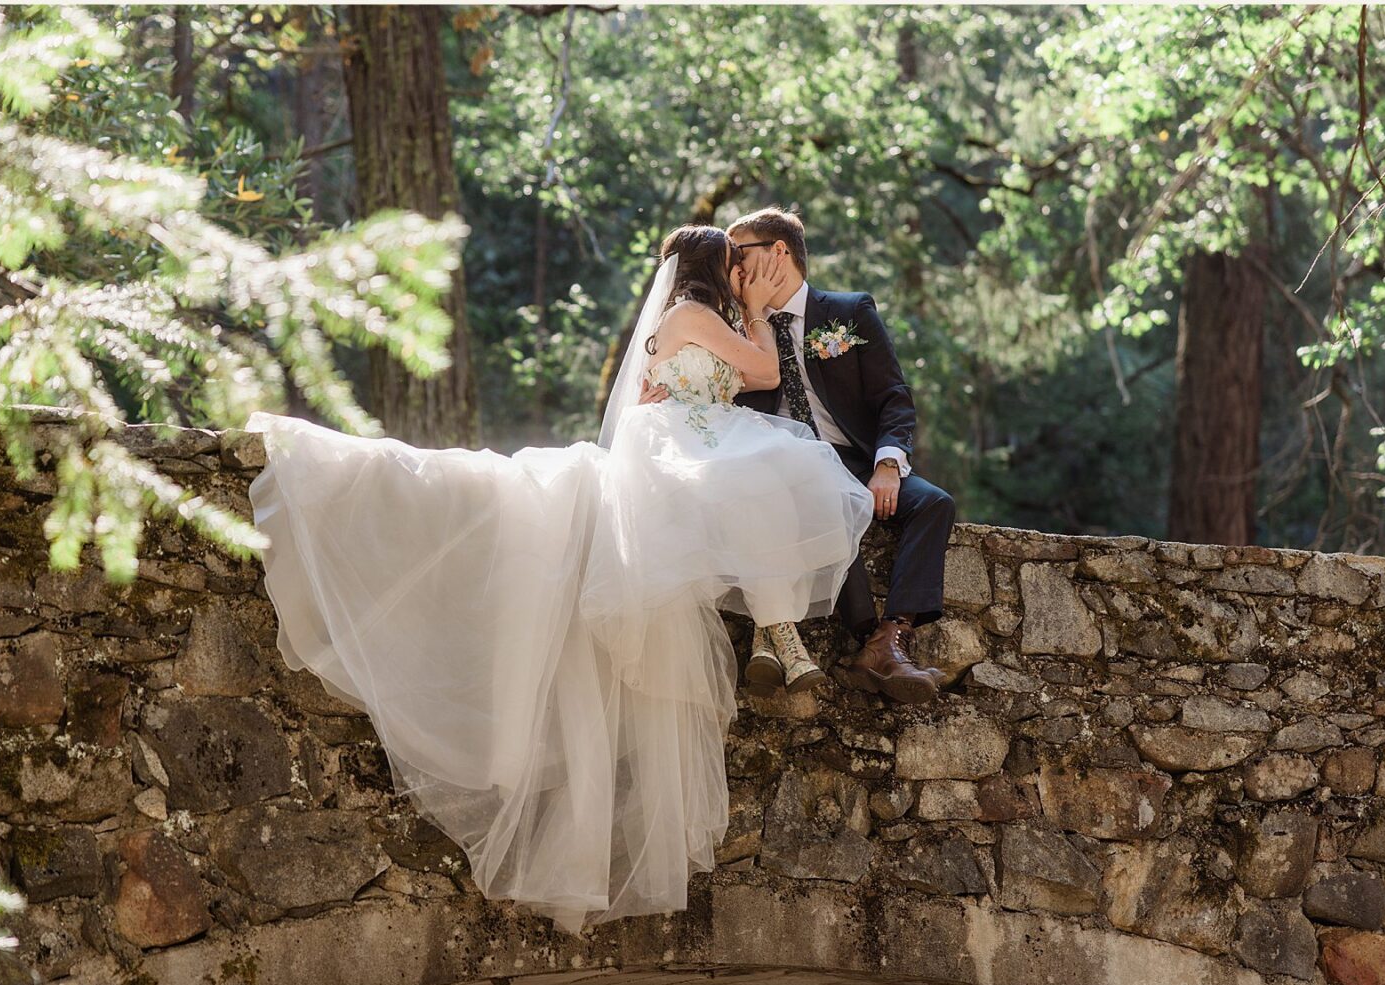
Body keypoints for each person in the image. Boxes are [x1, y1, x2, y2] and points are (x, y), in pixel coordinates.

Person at [243, 224, 872, 935]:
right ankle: (780, 637)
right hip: (680, 441)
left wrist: (741, 328)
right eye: (734, 266)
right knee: (764, 479)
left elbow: (734, 380)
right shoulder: (691, 314)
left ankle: (774, 637)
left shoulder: (710, 323)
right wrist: (756, 313)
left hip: (705, 436)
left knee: (767, 485)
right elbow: (760, 371)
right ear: (711, 267)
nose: (741, 277)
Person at [641, 205, 955, 703]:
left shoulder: (848, 312)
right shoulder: (734, 325)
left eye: (740, 253)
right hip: (775, 459)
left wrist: (887, 465)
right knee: (811, 493)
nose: (734, 266)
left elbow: (894, 397)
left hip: (855, 458)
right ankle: (858, 636)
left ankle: (890, 638)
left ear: (778, 252)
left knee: (935, 503)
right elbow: (702, 384)